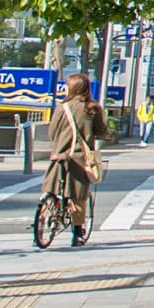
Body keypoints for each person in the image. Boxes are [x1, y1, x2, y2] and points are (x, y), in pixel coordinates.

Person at [41, 73, 107, 246]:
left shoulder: (62, 107)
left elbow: (51, 132)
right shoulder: (92, 108)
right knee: (78, 195)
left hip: (60, 156)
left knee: (53, 187)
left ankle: (44, 218)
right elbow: (101, 131)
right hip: (80, 158)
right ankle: (77, 233)